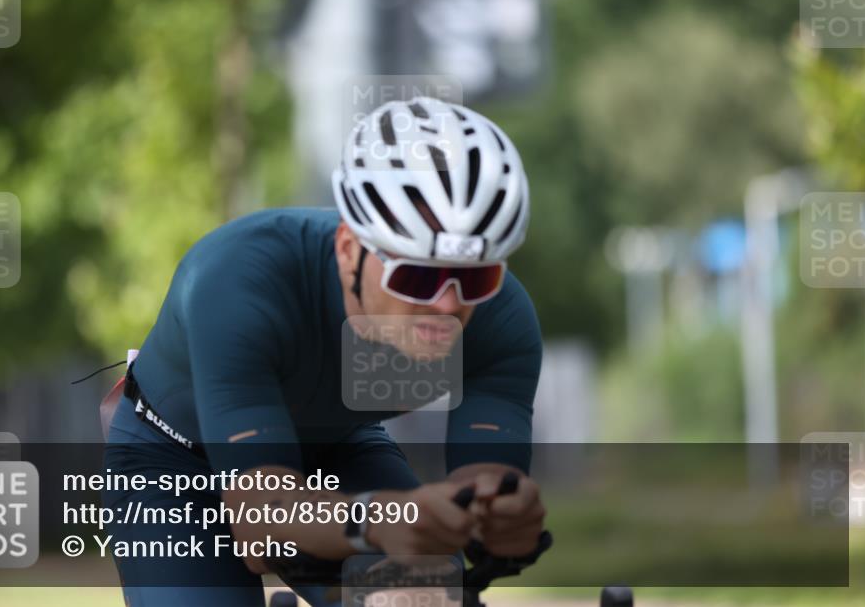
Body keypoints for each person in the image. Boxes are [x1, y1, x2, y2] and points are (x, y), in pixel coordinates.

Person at [103, 97, 545, 606]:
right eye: (417, 276)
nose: (448, 304)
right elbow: (262, 523)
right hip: (172, 458)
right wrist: (379, 523)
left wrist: (502, 511)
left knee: (422, 592)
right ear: (348, 250)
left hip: (337, 447)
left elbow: (486, 481)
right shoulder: (237, 278)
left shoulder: (499, 314)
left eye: (475, 275)